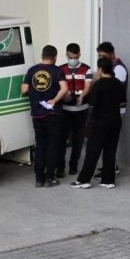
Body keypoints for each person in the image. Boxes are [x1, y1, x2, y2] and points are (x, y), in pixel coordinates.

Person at [70, 57, 126, 189]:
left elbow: (92, 103)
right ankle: (108, 180)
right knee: (110, 150)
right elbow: (123, 101)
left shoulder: (98, 85)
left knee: (92, 151)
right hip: (115, 120)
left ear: (100, 69)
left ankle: (84, 180)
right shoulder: (118, 84)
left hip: (100, 121)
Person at [21, 45, 68, 188]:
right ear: (55, 57)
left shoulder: (32, 70)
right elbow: (64, 88)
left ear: (42, 56)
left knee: (40, 146)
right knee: (52, 146)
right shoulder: (57, 71)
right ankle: (50, 178)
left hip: (37, 114)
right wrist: (54, 100)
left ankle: (39, 179)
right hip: (53, 114)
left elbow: (24, 89)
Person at [56, 43, 93, 178]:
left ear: (79, 55)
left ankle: (73, 166)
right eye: (70, 57)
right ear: (66, 55)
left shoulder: (86, 69)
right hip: (65, 110)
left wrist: (82, 96)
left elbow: (87, 86)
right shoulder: (60, 69)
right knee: (62, 140)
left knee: (78, 140)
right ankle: (60, 168)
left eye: (75, 57)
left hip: (81, 110)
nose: (73, 60)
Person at [94, 41, 128, 179]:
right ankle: (111, 166)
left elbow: (114, 90)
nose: (102, 59)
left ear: (112, 54)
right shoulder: (111, 67)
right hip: (109, 110)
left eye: (104, 56)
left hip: (115, 110)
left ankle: (111, 169)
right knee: (108, 140)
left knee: (110, 141)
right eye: (100, 56)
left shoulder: (118, 69)